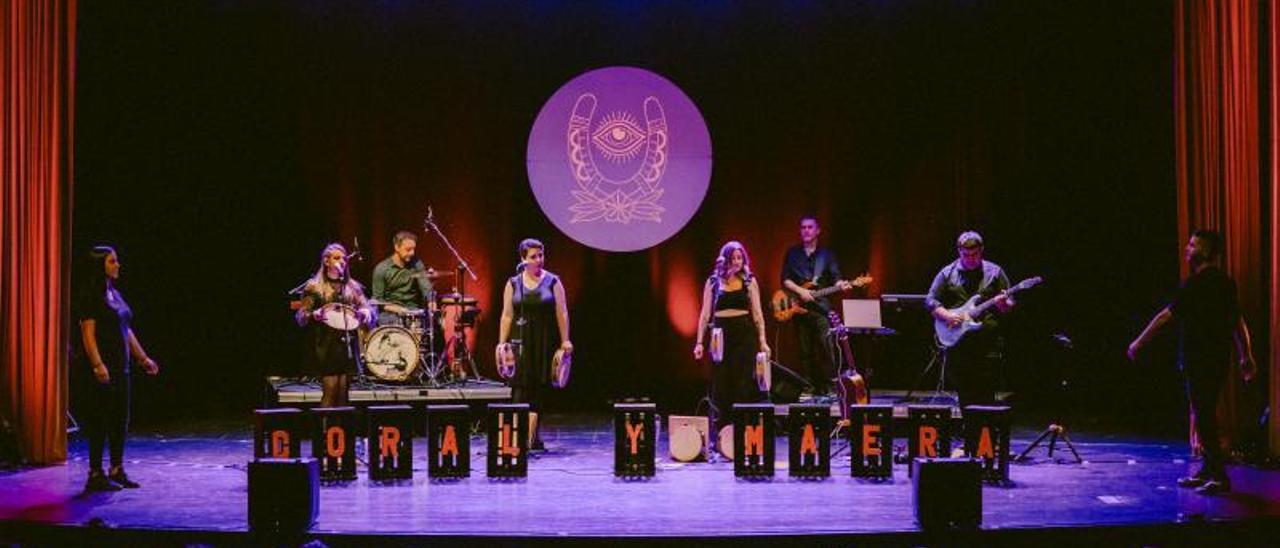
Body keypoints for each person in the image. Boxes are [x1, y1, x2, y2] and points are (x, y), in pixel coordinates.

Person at [1127, 229, 1256, 495]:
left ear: (1206, 251)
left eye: (1193, 245)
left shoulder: (1197, 283)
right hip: (1217, 357)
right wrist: (1246, 355)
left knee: (1204, 414)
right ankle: (1209, 470)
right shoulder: (1225, 282)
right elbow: (1238, 322)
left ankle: (1219, 476)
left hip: (1201, 358)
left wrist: (1139, 342)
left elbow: (1166, 316)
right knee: (1202, 411)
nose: (1187, 248)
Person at [74, 245, 160, 492]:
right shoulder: (90, 295)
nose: (117, 265)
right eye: (112, 261)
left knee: (119, 419)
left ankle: (116, 468)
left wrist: (143, 358)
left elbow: (126, 329)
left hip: (121, 367)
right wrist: (97, 364)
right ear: (100, 265)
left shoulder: (114, 293)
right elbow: (87, 334)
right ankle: (95, 473)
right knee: (100, 420)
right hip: (102, 370)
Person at [497, 239, 572, 450]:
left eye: (541, 255)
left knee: (539, 389)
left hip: (543, 340)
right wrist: (502, 344)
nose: (538, 260)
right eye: (533, 256)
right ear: (523, 259)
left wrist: (565, 339)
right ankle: (517, 437)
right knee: (520, 388)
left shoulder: (553, 282)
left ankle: (533, 437)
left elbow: (562, 311)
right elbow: (507, 315)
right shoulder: (513, 283)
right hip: (519, 341)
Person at [925, 231, 1014, 408]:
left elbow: (1008, 307)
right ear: (959, 252)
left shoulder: (995, 272)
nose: (971, 259)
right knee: (964, 390)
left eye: (975, 255)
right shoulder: (948, 273)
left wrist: (1004, 304)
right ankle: (969, 431)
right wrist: (948, 315)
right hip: (958, 344)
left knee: (986, 392)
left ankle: (985, 432)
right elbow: (930, 301)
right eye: (966, 255)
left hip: (987, 344)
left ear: (982, 250)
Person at [695, 241, 771, 434]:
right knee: (721, 382)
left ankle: (743, 429)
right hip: (720, 337)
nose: (737, 262)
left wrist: (762, 340)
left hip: (744, 335)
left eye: (740, 258)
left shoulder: (749, 281)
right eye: (733, 258)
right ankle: (722, 431)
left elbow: (757, 314)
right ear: (725, 260)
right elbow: (705, 315)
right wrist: (699, 343)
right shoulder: (713, 282)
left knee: (743, 381)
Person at [781, 216, 853, 395]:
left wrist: (842, 284)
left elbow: (837, 279)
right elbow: (785, 279)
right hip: (798, 308)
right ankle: (808, 387)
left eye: (810, 227)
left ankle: (830, 388)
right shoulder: (792, 253)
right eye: (803, 227)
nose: (806, 230)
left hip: (821, 309)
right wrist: (801, 291)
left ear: (817, 230)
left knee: (826, 347)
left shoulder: (827, 255)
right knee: (805, 352)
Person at [295, 243, 373, 407]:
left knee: (344, 393)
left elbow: (366, 307)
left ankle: (342, 430)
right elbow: (301, 316)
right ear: (326, 261)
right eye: (337, 258)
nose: (342, 261)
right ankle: (325, 431)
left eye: (344, 258)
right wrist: (313, 314)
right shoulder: (315, 287)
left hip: (347, 343)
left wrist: (365, 313)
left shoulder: (352, 286)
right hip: (326, 343)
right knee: (330, 391)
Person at [371, 231, 434, 327]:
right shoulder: (381, 269)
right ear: (396, 247)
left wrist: (431, 302)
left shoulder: (416, 264)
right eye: (408, 249)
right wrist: (398, 309)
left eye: (413, 249)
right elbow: (377, 301)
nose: (412, 253)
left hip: (412, 311)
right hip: (390, 313)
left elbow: (426, 288)